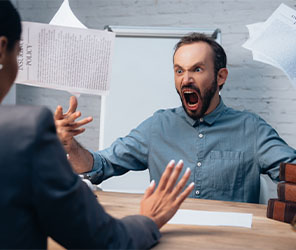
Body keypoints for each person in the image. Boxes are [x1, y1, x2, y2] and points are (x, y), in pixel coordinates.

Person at [55, 33, 296, 203]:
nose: (186, 78)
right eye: (179, 70)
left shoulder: (252, 129)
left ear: (220, 76)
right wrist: (70, 147)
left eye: (197, 69)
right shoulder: (157, 126)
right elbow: (99, 166)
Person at [0, 1, 194, 249]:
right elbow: (105, 240)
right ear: (2, 49)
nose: (187, 78)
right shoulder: (28, 131)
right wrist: (149, 220)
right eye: (18, 54)